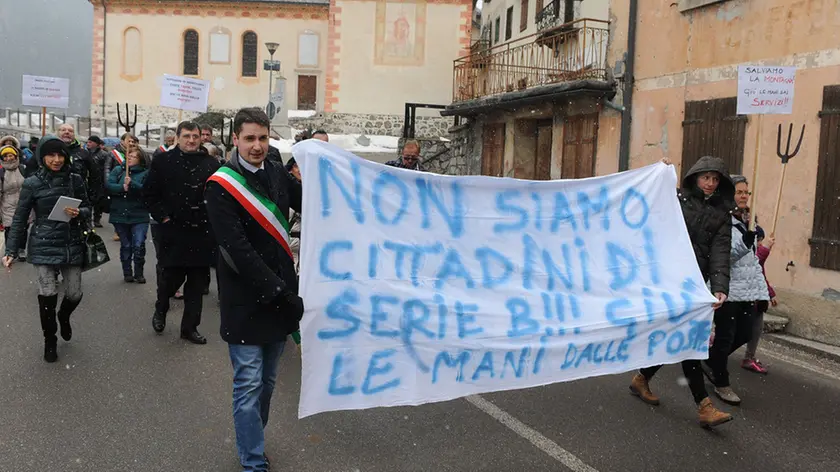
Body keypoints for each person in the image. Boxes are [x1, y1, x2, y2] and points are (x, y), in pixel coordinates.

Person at [205, 108, 303, 471]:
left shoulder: (277, 172)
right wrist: (277, 290)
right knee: (248, 385)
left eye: (263, 138)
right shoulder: (220, 186)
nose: (257, 146)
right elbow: (238, 249)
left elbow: (309, 203)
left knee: (268, 383)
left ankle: (252, 440)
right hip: (246, 297)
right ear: (235, 140)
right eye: (249, 139)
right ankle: (252, 460)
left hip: (279, 298)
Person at [628, 155, 734, 428]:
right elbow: (648, 206)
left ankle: (643, 378)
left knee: (682, 337)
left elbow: (720, 251)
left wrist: (720, 287)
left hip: (693, 284)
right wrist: (659, 172)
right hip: (667, 279)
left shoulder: (722, 214)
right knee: (685, 338)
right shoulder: (676, 200)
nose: (710, 184)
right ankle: (703, 406)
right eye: (705, 177)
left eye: (714, 179)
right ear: (695, 178)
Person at [2, 136, 90, 363]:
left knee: (74, 293)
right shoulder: (32, 183)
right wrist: (10, 250)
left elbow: (88, 206)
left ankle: (64, 315)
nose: (57, 159)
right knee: (48, 294)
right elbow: (20, 218)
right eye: (51, 155)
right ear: (42, 157)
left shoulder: (76, 179)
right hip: (42, 243)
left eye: (61, 154)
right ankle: (49, 339)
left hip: (71, 242)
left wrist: (80, 212)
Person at [143, 121, 220, 344]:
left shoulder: (210, 164)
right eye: (186, 136)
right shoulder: (163, 161)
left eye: (195, 136)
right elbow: (150, 195)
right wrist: (164, 217)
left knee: (196, 287)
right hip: (173, 233)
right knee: (169, 281)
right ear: (177, 137)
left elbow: (218, 197)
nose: (191, 140)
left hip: (201, 234)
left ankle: (189, 328)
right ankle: (161, 308)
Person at [703, 175, 769, 406]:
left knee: (745, 333)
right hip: (726, 288)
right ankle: (721, 382)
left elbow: (751, 262)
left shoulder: (745, 220)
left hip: (746, 290)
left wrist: (763, 292)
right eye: (739, 192)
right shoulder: (721, 220)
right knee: (725, 336)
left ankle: (711, 361)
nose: (743, 196)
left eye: (746, 192)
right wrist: (745, 241)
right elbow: (723, 256)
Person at [107, 148, 151, 284]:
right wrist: (121, 188)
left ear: (140, 159)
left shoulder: (146, 173)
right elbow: (109, 185)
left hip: (139, 214)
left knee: (138, 244)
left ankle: (139, 273)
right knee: (126, 245)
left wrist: (133, 184)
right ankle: (127, 272)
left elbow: (147, 190)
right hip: (120, 214)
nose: (130, 158)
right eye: (129, 156)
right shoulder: (118, 170)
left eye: (134, 156)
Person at [744, 226, 775, 374]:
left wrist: (770, 294)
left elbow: (761, 276)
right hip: (746, 297)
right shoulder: (748, 251)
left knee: (757, 329)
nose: (761, 244)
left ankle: (749, 357)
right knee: (737, 329)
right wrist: (767, 247)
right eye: (759, 241)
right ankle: (716, 351)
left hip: (758, 299)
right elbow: (756, 259)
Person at [105, 133, 139, 241]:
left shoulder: (136, 153)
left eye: (133, 142)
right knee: (118, 208)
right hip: (117, 182)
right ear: (122, 141)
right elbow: (107, 169)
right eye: (129, 141)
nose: (131, 143)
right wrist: (109, 184)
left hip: (130, 183)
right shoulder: (113, 154)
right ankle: (118, 231)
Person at [1, 144, 28, 260]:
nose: (8, 158)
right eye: (5, 156)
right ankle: (10, 251)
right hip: (7, 204)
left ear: (15, 156)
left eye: (10, 155)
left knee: (23, 227)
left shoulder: (23, 168)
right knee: (9, 229)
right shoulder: (1, 173)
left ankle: (21, 249)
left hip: (23, 202)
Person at [86, 136, 110, 228]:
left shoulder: (104, 154)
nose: (88, 143)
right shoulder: (85, 153)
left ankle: (97, 219)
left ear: (96, 143)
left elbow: (107, 168)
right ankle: (87, 219)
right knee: (88, 201)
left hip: (99, 181)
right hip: (88, 180)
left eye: (91, 142)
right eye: (88, 142)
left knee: (98, 202)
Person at [285, 157, 302, 272]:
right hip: (290, 239)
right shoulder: (284, 190)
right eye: (297, 166)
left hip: (305, 241)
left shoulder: (313, 189)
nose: (300, 169)